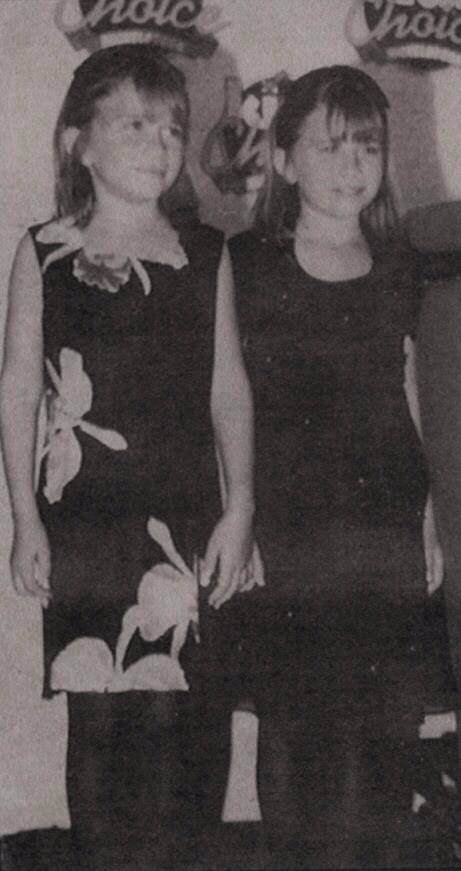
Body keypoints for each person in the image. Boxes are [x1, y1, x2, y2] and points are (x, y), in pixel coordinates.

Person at [0, 43, 254, 871]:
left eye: (172, 129)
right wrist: (25, 519)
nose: (159, 143)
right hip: (84, 522)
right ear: (78, 142)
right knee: (99, 717)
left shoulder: (204, 252)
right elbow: (18, 389)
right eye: (135, 125)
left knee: (180, 718)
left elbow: (226, 390)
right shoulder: (43, 251)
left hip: (179, 522)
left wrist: (241, 507)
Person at [229, 64, 439, 868]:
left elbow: (415, 390)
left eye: (367, 147)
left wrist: (431, 518)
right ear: (283, 160)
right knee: (295, 726)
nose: (352, 165)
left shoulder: (401, 265)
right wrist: (238, 515)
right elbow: (225, 399)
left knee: (383, 731)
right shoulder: (246, 263)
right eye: (329, 147)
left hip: (384, 531)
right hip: (289, 535)